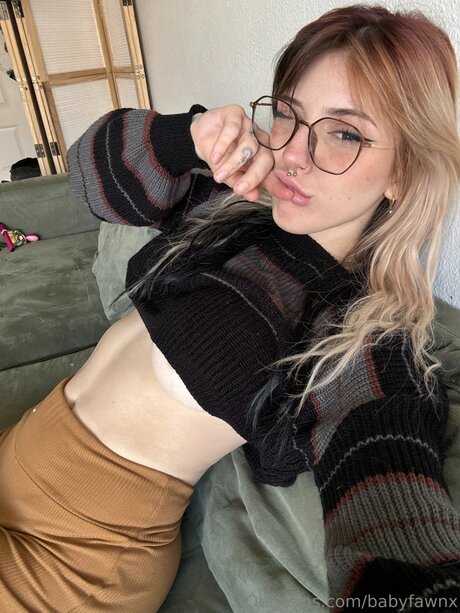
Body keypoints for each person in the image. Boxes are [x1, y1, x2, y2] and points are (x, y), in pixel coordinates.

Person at [1, 4, 460, 611]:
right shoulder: (231, 204)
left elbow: (396, 528)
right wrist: (185, 135)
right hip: (20, 451)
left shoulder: (358, 333)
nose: (293, 153)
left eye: (345, 134)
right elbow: (88, 178)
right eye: (289, 114)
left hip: (72, 557)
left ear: (403, 171)